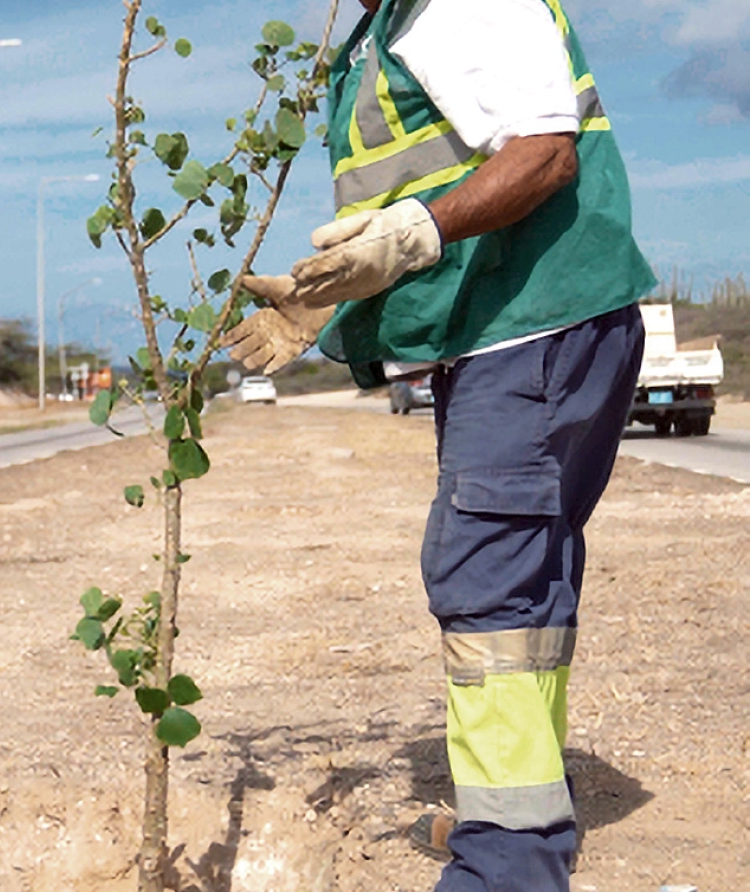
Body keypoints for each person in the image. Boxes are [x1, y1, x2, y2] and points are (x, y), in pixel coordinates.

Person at [222, 0, 654, 890]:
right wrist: (335, 294)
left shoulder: (459, 3)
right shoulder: (388, 30)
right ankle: (527, 818)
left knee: (487, 571)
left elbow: (543, 155)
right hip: (529, 327)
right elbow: (426, 199)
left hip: (528, 330)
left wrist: (411, 234)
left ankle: (506, 863)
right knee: (526, 581)